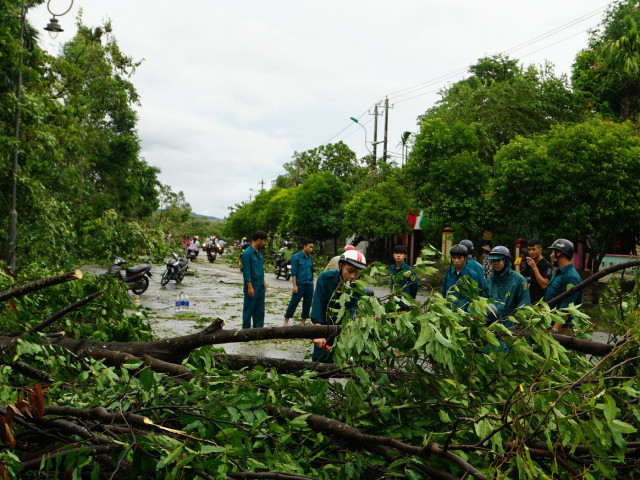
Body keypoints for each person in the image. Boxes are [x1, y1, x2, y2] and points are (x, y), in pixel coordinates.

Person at [311, 250, 367, 363]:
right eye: (350, 271)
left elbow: (354, 311)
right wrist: (318, 332)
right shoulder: (325, 279)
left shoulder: (359, 289)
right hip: (324, 331)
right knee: (319, 368)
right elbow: (318, 304)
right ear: (341, 266)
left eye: (357, 273)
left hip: (345, 335)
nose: (352, 276)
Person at [484, 246, 531, 326]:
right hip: (491, 329)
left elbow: (524, 307)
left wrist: (514, 328)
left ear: (506, 261)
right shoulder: (488, 282)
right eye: (493, 260)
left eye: (498, 260)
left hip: (511, 329)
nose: (495, 263)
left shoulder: (519, 280)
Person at [544, 239, 583, 336]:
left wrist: (555, 329)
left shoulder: (571, 277)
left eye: (553, 252)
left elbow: (567, 307)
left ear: (560, 253)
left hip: (561, 329)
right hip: (549, 325)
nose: (551, 255)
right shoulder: (558, 273)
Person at [441, 244, 483, 311]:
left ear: (465, 258)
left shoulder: (472, 274)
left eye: (459, 258)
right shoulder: (448, 273)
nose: (456, 261)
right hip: (448, 312)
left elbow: (474, 298)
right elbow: (443, 293)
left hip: (464, 313)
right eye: (454, 258)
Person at [284, 240, 315, 326]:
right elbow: (294, 273)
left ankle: (303, 322)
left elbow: (311, 271)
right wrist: (294, 286)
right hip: (300, 284)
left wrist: (312, 282)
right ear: (304, 246)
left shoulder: (310, 258)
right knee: (293, 303)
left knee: (307, 304)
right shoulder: (296, 257)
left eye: (312, 247)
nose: (311, 249)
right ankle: (286, 321)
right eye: (310, 247)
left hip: (309, 284)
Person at [241, 231, 268, 329]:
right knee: (249, 309)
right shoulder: (247, 254)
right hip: (252, 285)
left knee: (260, 310)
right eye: (264, 241)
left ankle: (258, 330)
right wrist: (249, 287)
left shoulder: (259, 252)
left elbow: (261, 268)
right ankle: (246, 331)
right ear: (259, 240)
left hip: (260, 284)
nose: (264, 243)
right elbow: (246, 272)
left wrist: (264, 282)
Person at [520, 238, 552, 304]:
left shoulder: (547, 265)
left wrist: (534, 268)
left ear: (540, 250)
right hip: (530, 301)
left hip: (542, 302)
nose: (531, 252)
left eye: (533, 249)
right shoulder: (530, 263)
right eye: (529, 249)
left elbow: (544, 285)